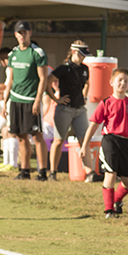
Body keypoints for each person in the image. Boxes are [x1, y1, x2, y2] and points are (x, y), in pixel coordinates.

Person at [79, 68, 128, 218]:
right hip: (110, 141)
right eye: (119, 80)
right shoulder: (105, 103)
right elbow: (93, 125)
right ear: (112, 82)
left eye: (126, 81)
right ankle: (109, 210)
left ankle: (116, 200)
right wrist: (84, 145)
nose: (123, 83)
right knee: (110, 174)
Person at [2, 20, 49, 181]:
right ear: (15, 35)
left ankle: (42, 172)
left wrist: (37, 100)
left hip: (31, 99)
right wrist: (5, 102)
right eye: (19, 33)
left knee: (36, 136)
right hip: (16, 99)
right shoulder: (13, 54)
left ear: (30, 33)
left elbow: (43, 79)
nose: (22, 35)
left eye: (25, 32)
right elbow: (9, 80)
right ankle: (25, 170)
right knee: (20, 136)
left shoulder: (37, 53)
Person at [46, 41, 93, 181]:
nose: (83, 58)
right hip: (65, 109)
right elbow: (47, 82)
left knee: (84, 140)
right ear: (73, 52)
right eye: (81, 55)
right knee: (59, 140)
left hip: (80, 110)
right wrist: (56, 99)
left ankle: (89, 173)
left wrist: (84, 96)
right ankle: (53, 172)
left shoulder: (85, 69)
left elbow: (87, 84)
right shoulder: (63, 68)